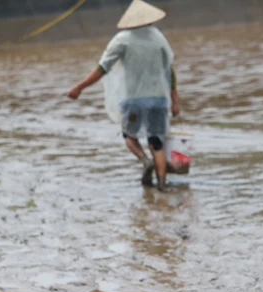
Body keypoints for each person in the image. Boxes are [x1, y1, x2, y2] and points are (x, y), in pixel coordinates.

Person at [66, 0, 180, 192]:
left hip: (135, 100)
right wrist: (175, 101)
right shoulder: (159, 38)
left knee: (129, 135)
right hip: (159, 100)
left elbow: (103, 68)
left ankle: (145, 161)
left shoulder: (122, 39)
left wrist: (80, 87)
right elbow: (170, 71)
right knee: (156, 142)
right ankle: (162, 185)